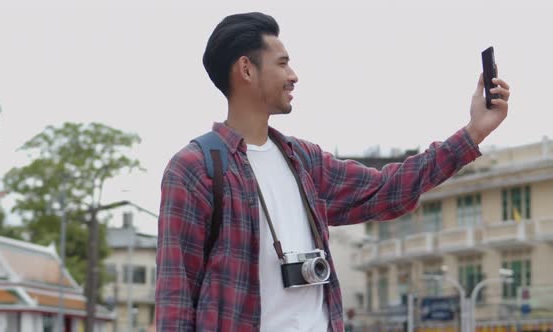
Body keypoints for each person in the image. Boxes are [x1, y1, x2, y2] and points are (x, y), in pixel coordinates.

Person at [155, 12, 510, 332]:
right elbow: (175, 299)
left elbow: (387, 189)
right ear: (247, 70)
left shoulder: (303, 162)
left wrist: (473, 133)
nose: (293, 76)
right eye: (282, 63)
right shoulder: (195, 169)